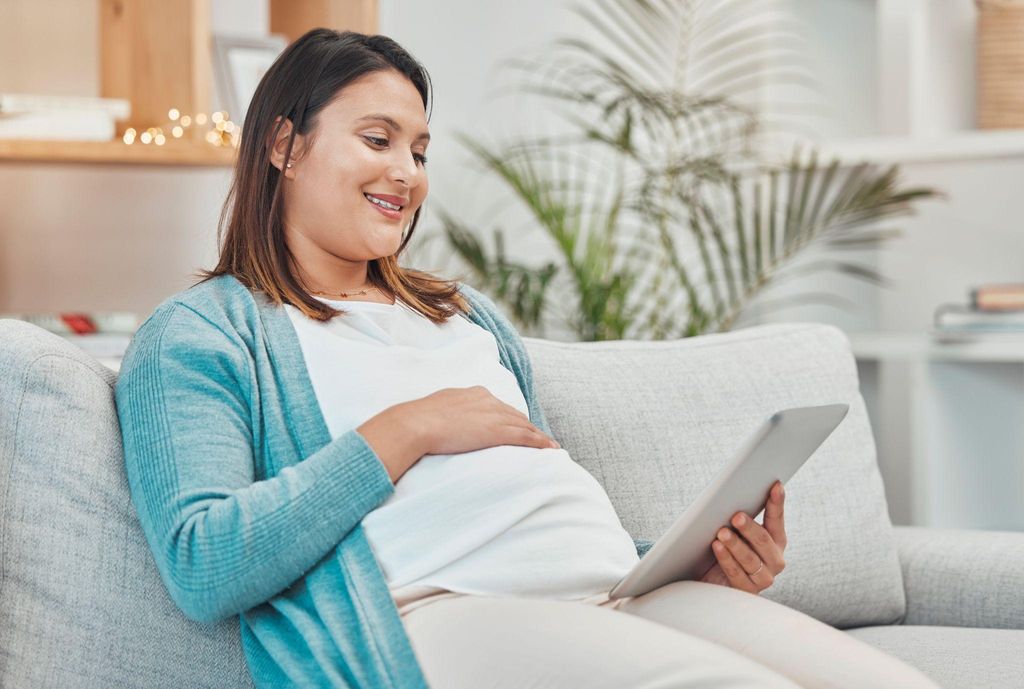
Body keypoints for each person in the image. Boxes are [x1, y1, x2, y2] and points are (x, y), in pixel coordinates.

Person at [114, 28, 940, 689]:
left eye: (421, 150)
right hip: (440, 615)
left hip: (624, 595)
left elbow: (533, 497)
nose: (406, 173)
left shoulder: (463, 314)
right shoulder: (204, 333)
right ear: (285, 147)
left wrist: (701, 561)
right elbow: (205, 561)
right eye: (378, 139)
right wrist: (411, 427)